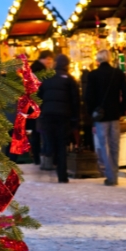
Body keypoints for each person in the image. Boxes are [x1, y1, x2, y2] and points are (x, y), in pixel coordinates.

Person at [85, 49, 126, 186]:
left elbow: (88, 97)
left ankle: (110, 176)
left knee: (104, 146)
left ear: (98, 59)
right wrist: (121, 109)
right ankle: (114, 175)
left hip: (100, 116)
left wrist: (92, 113)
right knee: (115, 145)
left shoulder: (93, 75)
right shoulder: (118, 73)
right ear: (110, 58)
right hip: (115, 115)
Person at [37, 54, 80, 183]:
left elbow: (39, 97)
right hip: (63, 116)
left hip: (48, 115)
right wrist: (75, 119)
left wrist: (41, 113)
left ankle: (52, 158)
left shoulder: (47, 78)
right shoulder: (70, 79)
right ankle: (62, 175)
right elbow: (75, 100)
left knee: (52, 141)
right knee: (62, 144)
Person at [29, 50, 54, 166]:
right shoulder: (40, 70)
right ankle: (41, 157)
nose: (49, 62)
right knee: (40, 131)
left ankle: (37, 157)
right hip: (38, 104)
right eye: (48, 59)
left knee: (36, 131)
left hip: (33, 103)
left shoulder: (33, 68)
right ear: (44, 58)